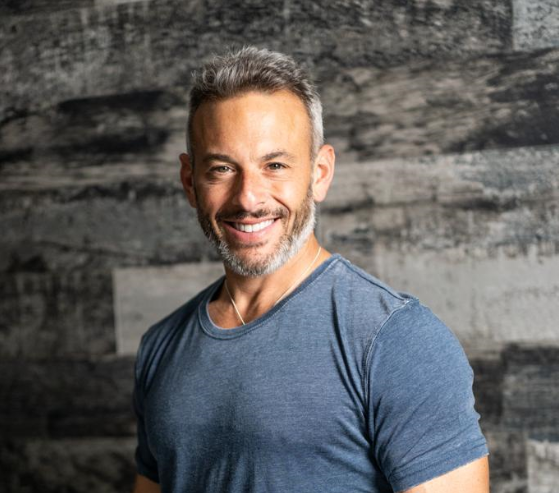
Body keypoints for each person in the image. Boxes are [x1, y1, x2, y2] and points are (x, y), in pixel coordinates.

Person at [132, 46, 489, 493]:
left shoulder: (398, 340)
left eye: (275, 165)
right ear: (190, 181)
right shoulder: (161, 346)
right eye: (222, 168)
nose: (248, 198)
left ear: (319, 173)